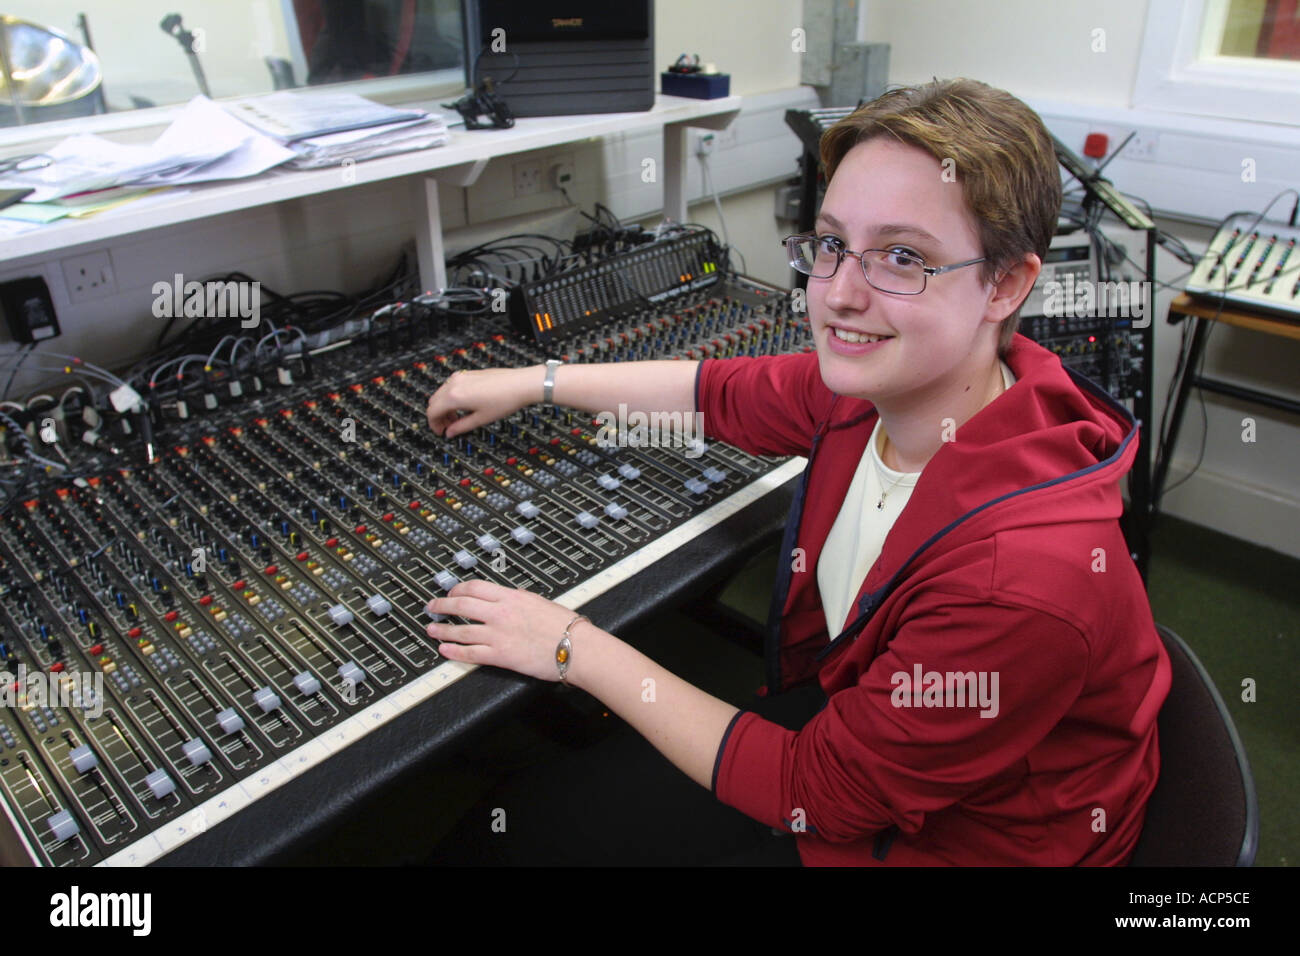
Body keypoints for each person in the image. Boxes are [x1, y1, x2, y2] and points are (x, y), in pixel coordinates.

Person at [422, 77, 1171, 866]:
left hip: (948, 844)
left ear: (1007, 285)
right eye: (832, 243)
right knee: (522, 822)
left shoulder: (1018, 581)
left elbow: (812, 793)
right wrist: (534, 383)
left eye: (904, 256)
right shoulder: (883, 387)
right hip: (858, 745)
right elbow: (713, 393)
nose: (837, 295)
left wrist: (571, 645)